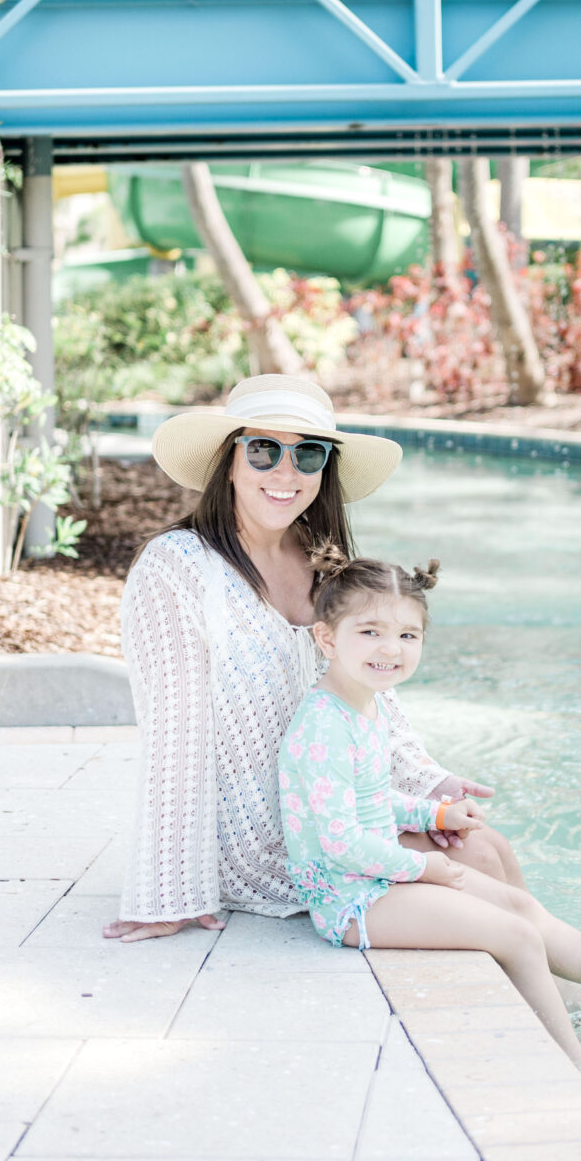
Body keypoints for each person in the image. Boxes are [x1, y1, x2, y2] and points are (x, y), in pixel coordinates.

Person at [280, 545, 581, 1094]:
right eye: (370, 632)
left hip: (377, 877)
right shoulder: (324, 723)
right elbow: (338, 840)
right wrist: (426, 870)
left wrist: (435, 812)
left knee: (520, 904)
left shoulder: (367, 703)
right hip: (349, 900)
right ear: (327, 638)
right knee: (515, 936)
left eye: (407, 635)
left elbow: (371, 800)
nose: (390, 649)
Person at [105, 373, 504, 943]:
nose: (285, 473)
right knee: (478, 869)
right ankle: (570, 1006)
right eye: (264, 450)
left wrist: (428, 781)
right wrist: (167, 893)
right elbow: (175, 738)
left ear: (325, 467)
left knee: (486, 847)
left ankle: (570, 1012)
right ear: (230, 460)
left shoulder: (327, 561)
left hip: (334, 808)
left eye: (307, 453)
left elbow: (369, 696)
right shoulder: (178, 568)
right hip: (260, 841)